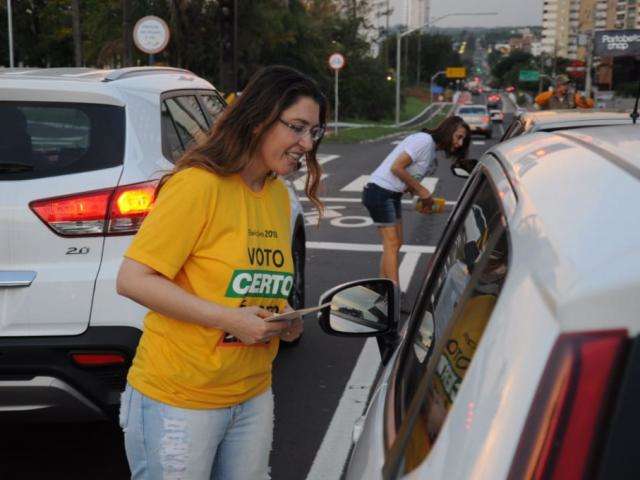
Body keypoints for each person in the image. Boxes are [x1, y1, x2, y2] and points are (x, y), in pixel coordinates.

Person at [115, 65, 326, 480]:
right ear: (259, 119)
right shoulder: (198, 186)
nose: (306, 143)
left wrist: (281, 315)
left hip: (252, 393)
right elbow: (133, 279)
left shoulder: (276, 196)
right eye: (298, 128)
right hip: (180, 398)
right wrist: (230, 320)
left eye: (314, 132)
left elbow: (245, 281)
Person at [361, 116, 470, 286]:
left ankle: (383, 289)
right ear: (449, 131)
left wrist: (421, 197)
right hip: (379, 191)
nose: (460, 143)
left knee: (396, 244)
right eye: (459, 137)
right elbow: (396, 167)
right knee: (392, 243)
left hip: (391, 194)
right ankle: (393, 296)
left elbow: (407, 179)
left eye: (463, 139)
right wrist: (423, 191)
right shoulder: (424, 141)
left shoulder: (432, 152)